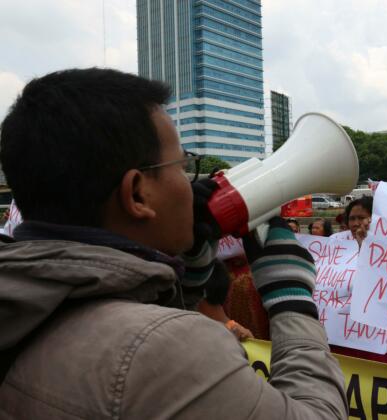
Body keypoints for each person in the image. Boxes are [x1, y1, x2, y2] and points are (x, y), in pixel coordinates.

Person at [0, 68, 347, 419]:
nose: (189, 184)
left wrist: (187, 281)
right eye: (182, 166)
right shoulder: (171, 346)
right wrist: (292, 301)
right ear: (138, 193)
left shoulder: (21, 298)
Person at [328, 196, 387, 363]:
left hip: (372, 332)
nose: (355, 223)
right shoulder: (335, 242)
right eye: (352, 218)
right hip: (340, 329)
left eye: (361, 217)